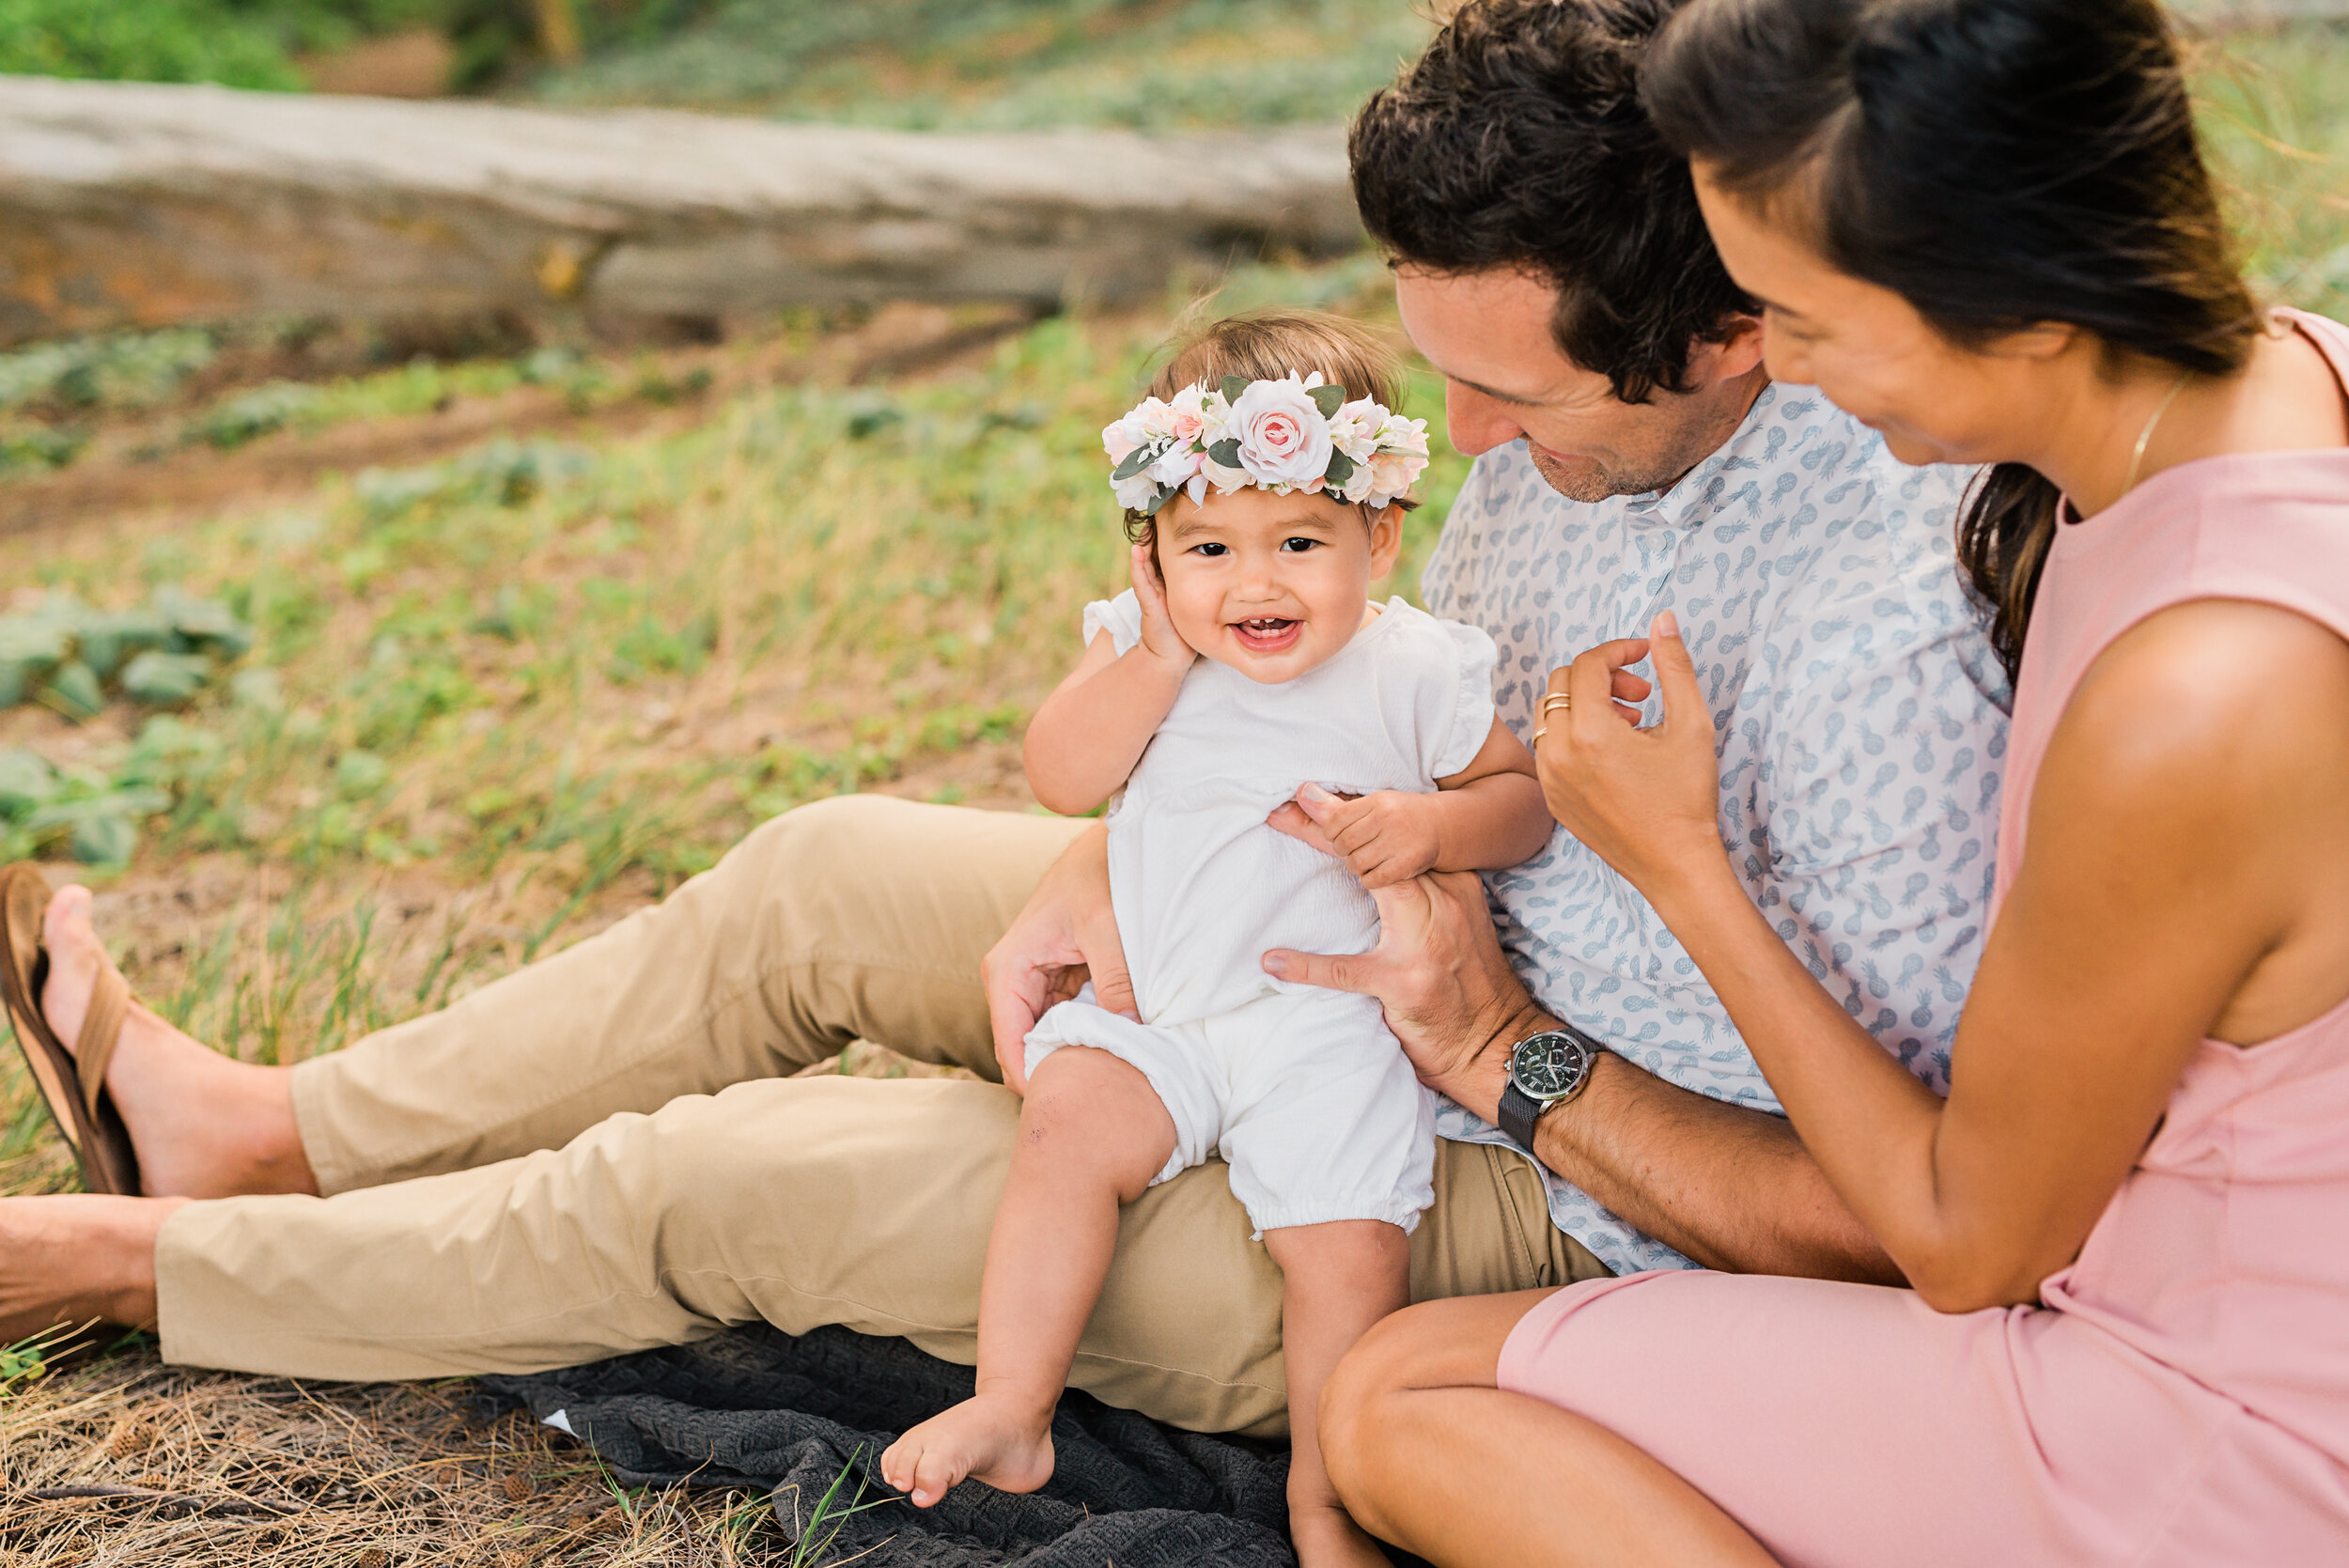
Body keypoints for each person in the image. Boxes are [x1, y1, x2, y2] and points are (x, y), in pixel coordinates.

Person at [0, 0, 1999, 1461]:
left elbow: (1895, 1221)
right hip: (1337, 921)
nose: (1468, 448)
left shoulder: (1876, 638)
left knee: (759, 1177)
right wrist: (1101, 862)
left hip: (1527, 1188)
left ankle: (132, 1260)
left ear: (1734, 314)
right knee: (826, 875)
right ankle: (266, 1134)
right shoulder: (1608, 405)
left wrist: (1495, 1044)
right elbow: (1375, 702)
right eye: (1445, 383)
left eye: (1515, 401)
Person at [1316, 1, 2349, 1563]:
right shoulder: (2262, 391)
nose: (1769, 364)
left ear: (2016, 298)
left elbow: (1963, 1241)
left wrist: (1683, 865)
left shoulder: (2198, 698)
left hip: (2223, 1427)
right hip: (2211, 1285)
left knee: (1398, 1396)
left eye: (1796, 316)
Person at [879, 312, 1552, 1567]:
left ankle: (1326, 1497)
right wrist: (1147, 654)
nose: (1255, 583)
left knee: (1346, 1245)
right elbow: (1059, 773)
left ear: (1379, 532)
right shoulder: (1150, 655)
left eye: (1300, 541)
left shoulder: (1414, 668)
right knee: (1067, 1118)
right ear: (1152, 555)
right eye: (1208, 548)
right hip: (1171, 1009)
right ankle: (1014, 1404)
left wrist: (1430, 823)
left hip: (1328, 1024)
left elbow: (1519, 802)